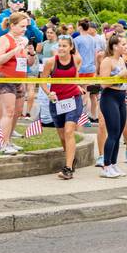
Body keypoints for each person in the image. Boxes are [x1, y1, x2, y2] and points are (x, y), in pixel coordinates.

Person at [40, 35, 83, 180]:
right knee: (62, 136)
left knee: (69, 131)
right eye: (60, 45)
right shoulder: (51, 62)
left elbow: (75, 76)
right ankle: (70, 159)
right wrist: (48, 93)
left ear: (71, 47)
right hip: (57, 101)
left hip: (73, 99)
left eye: (64, 46)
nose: (61, 48)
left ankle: (68, 168)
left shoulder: (76, 59)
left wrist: (77, 85)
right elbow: (43, 81)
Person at [0, 12, 31, 155]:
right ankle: (4, 143)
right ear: (12, 25)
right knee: (8, 111)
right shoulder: (4, 39)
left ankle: (9, 140)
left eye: (26, 26)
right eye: (22, 26)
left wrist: (31, 53)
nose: (24, 29)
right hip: (4, 77)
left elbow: (29, 62)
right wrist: (14, 51)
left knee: (17, 112)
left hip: (19, 78)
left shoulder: (23, 40)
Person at [97, 34, 127, 178]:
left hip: (121, 96)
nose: (125, 47)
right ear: (114, 46)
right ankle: (106, 166)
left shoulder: (121, 60)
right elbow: (104, 83)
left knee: (118, 133)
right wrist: (120, 75)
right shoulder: (107, 61)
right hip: (109, 97)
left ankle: (113, 164)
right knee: (112, 133)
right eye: (122, 44)